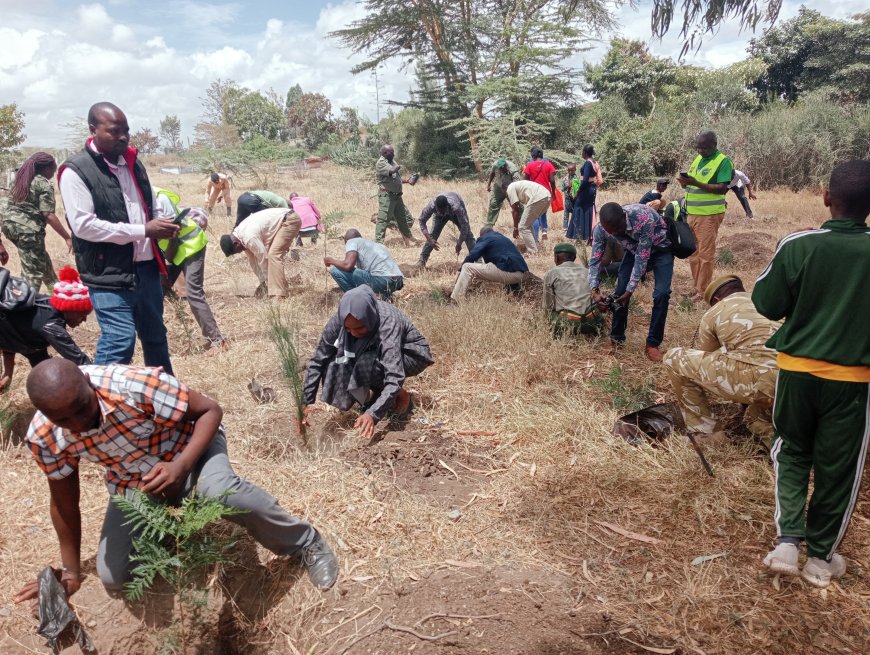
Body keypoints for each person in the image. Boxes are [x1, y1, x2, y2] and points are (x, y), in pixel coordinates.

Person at [12, 359, 339, 604]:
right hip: (136, 480)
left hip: (190, 452)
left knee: (222, 495)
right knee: (115, 578)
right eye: (63, 419)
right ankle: (165, 532)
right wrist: (71, 572)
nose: (79, 423)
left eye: (82, 407)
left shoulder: (133, 386)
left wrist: (180, 467)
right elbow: (65, 504)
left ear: (87, 381)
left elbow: (211, 410)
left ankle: (305, 542)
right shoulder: (45, 435)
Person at [752, 160, 870, 589]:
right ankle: (821, 559)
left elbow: (765, 303)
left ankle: (787, 543)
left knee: (793, 450)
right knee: (839, 468)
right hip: (854, 381)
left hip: (796, 372)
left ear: (826, 196)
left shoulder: (798, 245)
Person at [58, 102, 178, 374]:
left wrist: (164, 222)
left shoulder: (134, 164)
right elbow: (84, 226)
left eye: (126, 131)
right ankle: (100, 408)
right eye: (114, 131)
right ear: (93, 130)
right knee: (119, 341)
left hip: (146, 269)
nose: (123, 137)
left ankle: (165, 401)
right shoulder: (76, 171)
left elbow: (146, 207)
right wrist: (144, 230)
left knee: (155, 338)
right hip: (108, 273)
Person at [301, 286, 434, 440]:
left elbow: (394, 374)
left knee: (365, 363)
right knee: (335, 360)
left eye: (360, 327)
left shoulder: (387, 321)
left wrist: (373, 414)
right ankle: (379, 396)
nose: (354, 333)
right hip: (375, 353)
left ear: (369, 317)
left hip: (410, 355)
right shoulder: (339, 319)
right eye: (348, 329)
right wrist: (305, 401)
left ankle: (402, 396)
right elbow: (319, 359)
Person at [663, 275, 779, 440]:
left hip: (760, 379)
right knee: (755, 419)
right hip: (792, 378)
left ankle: (705, 432)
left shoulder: (715, 311)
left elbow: (706, 357)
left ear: (716, 300)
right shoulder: (767, 304)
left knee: (675, 358)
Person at [589, 203, 673, 362]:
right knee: (620, 291)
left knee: (662, 294)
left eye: (618, 228)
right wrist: (594, 290)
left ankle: (652, 344)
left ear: (624, 217)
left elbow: (642, 259)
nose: (615, 233)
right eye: (611, 231)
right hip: (634, 249)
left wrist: (630, 291)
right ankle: (616, 340)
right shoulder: (602, 229)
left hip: (661, 250)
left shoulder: (643, 218)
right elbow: (595, 260)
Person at [153, 187, 227, 352]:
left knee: (193, 292)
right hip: (174, 250)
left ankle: (217, 341)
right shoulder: (133, 201)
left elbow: (174, 234)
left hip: (191, 245)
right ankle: (156, 344)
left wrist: (168, 263)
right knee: (156, 293)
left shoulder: (160, 199)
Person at [0, 266, 92, 391]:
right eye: (82, 313)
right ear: (70, 308)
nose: (84, 319)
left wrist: (8, 375)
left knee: (45, 373)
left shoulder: (42, 309)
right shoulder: (51, 325)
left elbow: (12, 334)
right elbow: (78, 359)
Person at [1, 152, 73, 292]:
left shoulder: (19, 179)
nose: (53, 174)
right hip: (28, 231)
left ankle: (57, 296)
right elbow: (48, 214)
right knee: (32, 273)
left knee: (42, 261)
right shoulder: (43, 183)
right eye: (53, 170)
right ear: (46, 169)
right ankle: (25, 308)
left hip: (10, 227)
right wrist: (67, 237)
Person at [677, 130, 733, 301]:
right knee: (693, 253)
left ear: (714, 145)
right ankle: (697, 288)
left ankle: (703, 292)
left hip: (708, 215)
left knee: (706, 255)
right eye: (698, 147)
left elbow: (722, 188)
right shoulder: (698, 159)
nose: (700, 151)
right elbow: (695, 185)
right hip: (692, 214)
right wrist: (686, 184)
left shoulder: (722, 161)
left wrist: (695, 183)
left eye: (704, 148)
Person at [220, 207, 301, 299]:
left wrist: (268, 283)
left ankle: (279, 295)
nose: (239, 252)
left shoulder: (249, 237)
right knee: (272, 255)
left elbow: (263, 258)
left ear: (236, 244)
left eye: (237, 251)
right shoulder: (240, 237)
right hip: (282, 222)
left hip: (289, 221)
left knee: (273, 255)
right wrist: (263, 282)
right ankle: (281, 288)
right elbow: (253, 261)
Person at [451, 225, 529, 302]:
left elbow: (473, 255)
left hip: (511, 274)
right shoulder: (503, 238)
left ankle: (456, 299)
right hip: (523, 273)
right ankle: (513, 288)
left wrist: (460, 271)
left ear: (482, 234)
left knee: (467, 267)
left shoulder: (485, 238)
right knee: (499, 263)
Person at [325, 229, 404, 300]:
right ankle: (384, 297)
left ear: (346, 240)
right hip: (398, 281)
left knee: (335, 271)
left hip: (382, 280)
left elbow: (348, 266)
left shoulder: (351, 241)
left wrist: (331, 261)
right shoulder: (374, 244)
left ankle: (356, 299)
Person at [543, 243, 602, 337]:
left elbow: (548, 305)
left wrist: (547, 322)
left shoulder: (551, 273)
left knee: (550, 314)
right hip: (591, 321)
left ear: (556, 257)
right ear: (574, 257)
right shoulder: (587, 271)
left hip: (568, 321)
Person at [415, 192, 476, 269]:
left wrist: (459, 243)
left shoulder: (457, 207)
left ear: (447, 206)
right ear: (436, 207)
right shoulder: (431, 206)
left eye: (442, 211)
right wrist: (429, 239)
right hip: (438, 217)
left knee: (468, 235)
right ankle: (422, 260)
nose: (441, 213)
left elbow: (464, 227)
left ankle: (478, 260)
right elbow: (421, 220)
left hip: (454, 214)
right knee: (433, 234)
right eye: (439, 210)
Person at [375, 144, 417, 244]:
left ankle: (408, 237)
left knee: (402, 218)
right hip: (387, 195)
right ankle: (379, 242)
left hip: (397, 195)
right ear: (385, 153)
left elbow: (395, 178)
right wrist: (398, 167)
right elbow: (392, 171)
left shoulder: (392, 161)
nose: (393, 154)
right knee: (383, 219)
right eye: (392, 152)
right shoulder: (381, 163)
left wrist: (407, 181)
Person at [506, 180, 550, 255]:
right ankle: (535, 247)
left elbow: (515, 210)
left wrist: (515, 229)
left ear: (504, 190)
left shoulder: (509, 188)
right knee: (528, 225)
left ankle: (532, 251)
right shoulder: (517, 186)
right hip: (547, 196)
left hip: (538, 197)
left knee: (523, 227)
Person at [523, 147, 556, 242]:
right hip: (546, 193)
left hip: (534, 194)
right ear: (542, 155)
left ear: (533, 156)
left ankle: (536, 238)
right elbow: (552, 181)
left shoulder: (529, 165)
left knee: (534, 216)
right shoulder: (549, 165)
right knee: (543, 212)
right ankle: (544, 230)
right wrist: (553, 192)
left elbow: (525, 180)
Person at [569, 145, 598, 242]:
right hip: (591, 189)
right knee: (588, 211)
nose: (581, 153)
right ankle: (589, 236)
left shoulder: (588, 163)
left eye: (582, 151)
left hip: (585, 190)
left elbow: (585, 180)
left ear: (585, 152)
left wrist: (578, 191)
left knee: (578, 209)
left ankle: (578, 236)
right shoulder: (594, 162)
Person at [486, 158, 522, 226]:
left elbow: (517, 185)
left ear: (506, 166)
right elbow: (492, 173)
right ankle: (489, 224)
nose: (502, 170)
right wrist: (488, 184)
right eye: (500, 169)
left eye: (503, 169)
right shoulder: (495, 165)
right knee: (493, 203)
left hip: (511, 188)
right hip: (499, 186)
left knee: (517, 206)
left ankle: (522, 224)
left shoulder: (513, 169)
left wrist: (513, 195)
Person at [561, 164, 578, 231]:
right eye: (569, 170)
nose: (570, 172)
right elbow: (562, 189)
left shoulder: (577, 178)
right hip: (567, 199)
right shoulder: (565, 178)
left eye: (572, 170)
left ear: (575, 170)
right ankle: (565, 229)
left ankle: (574, 229)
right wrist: (568, 186)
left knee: (575, 214)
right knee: (566, 214)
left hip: (575, 200)